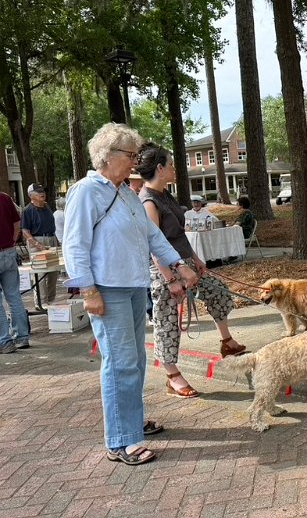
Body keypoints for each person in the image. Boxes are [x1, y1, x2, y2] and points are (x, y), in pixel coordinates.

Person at [63, 123, 199, 466]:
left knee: (135, 361)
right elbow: (74, 245)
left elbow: (152, 236)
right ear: (107, 156)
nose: (136, 161)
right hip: (106, 289)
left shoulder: (126, 192)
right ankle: (121, 441)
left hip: (134, 287)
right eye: (131, 154)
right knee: (120, 363)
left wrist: (179, 265)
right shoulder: (86, 191)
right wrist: (88, 289)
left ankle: (131, 423)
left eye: (137, 155)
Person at [138, 143, 247, 398]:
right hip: (164, 268)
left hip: (184, 261)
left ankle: (227, 342)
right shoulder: (148, 201)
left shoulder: (166, 194)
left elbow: (179, 234)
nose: (176, 168)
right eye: (172, 163)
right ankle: (172, 375)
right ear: (160, 168)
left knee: (218, 291)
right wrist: (169, 279)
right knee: (167, 322)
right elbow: (154, 244)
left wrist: (196, 258)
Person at [0, 191, 29, 354]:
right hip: (8, 251)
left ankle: (4, 341)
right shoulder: (4, 198)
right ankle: (22, 336)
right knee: (14, 296)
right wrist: (11, 242)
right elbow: (17, 223)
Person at [21, 183, 58, 305]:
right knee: (40, 273)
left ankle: (51, 300)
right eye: (39, 192)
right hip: (38, 241)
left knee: (54, 271)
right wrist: (38, 245)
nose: (42, 193)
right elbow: (25, 231)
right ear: (31, 195)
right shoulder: (27, 210)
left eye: (43, 191)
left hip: (51, 239)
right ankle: (41, 302)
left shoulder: (47, 207)